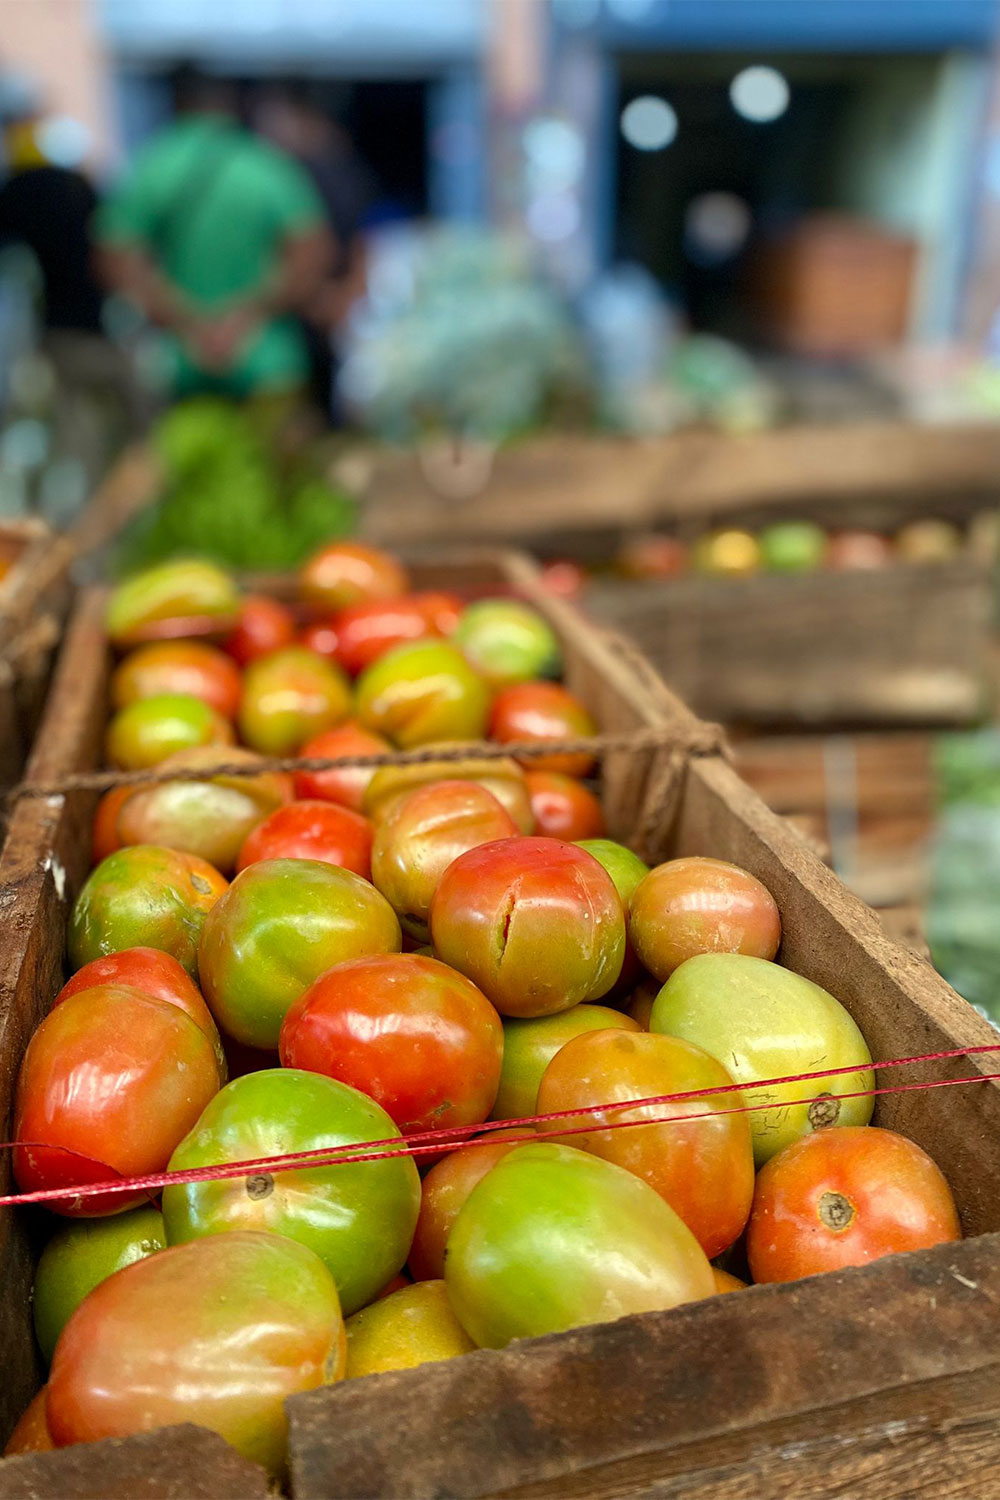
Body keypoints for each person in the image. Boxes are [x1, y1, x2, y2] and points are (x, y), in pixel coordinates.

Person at [95, 67, 333, 400]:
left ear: (178, 103)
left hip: (180, 358)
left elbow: (115, 256)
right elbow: (312, 252)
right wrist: (248, 315)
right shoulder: (266, 164)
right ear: (229, 104)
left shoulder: (153, 165)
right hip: (264, 357)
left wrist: (186, 321)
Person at [253, 83, 375, 412]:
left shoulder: (311, 175)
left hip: (309, 311)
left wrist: (333, 299)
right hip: (307, 311)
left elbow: (344, 244)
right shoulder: (280, 175)